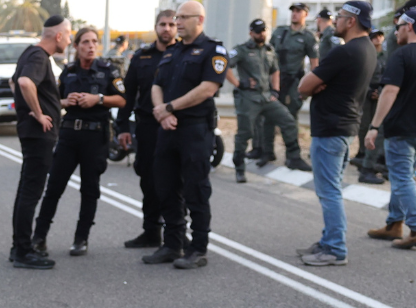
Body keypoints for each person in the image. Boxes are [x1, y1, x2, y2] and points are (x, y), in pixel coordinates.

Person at [143, 1, 227, 271]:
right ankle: (172, 244)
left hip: (195, 130)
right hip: (168, 128)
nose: (177, 22)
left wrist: (171, 107)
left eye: (183, 17)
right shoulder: (172, 51)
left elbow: (208, 88)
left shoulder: (214, 50)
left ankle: (198, 248)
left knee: (196, 189)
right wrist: (162, 113)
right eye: (176, 17)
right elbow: (157, 84)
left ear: (199, 19)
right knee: (165, 187)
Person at [31, 26, 124, 258]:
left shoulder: (108, 70)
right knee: (54, 187)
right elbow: (54, 100)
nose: (91, 46)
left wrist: (98, 99)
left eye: (94, 42)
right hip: (70, 135)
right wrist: (65, 101)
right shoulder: (69, 71)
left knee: (89, 189)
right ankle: (39, 237)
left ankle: (81, 239)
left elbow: (123, 100)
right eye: (85, 42)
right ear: (77, 46)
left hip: (95, 136)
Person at [297, 1, 377, 266]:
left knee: (329, 191)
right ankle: (328, 240)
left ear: (351, 21)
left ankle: (334, 248)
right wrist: (320, 83)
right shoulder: (367, 49)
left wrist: (317, 83)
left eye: (340, 17)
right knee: (332, 189)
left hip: (331, 128)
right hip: (345, 126)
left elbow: (304, 86)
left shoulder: (345, 52)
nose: (336, 22)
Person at [9, 15, 73, 270]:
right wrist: (37, 113)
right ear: (58, 36)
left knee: (26, 190)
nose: (70, 40)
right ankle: (24, 251)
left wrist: (53, 104)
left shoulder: (29, 53)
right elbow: (24, 82)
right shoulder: (38, 56)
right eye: (68, 35)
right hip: (38, 134)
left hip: (32, 132)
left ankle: (19, 246)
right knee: (31, 192)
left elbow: (14, 81)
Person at [116, 11, 177, 250]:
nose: (167, 29)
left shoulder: (182, 55)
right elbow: (128, 94)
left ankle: (177, 232)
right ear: (156, 27)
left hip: (174, 126)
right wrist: (122, 127)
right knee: (148, 179)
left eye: (172, 24)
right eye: (163, 24)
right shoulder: (141, 57)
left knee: (175, 180)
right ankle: (151, 231)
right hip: (147, 127)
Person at [227, 18, 311, 184]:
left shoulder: (269, 50)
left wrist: (275, 90)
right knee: (245, 133)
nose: (262, 34)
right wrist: (238, 83)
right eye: (258, 31)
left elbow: (275, 71)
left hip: (266, 97)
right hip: (248, 98)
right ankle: (239, 167)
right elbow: (223, 65)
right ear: (251, 33)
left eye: (264, 30)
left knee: (288, 121)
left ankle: (293, 157)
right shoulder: (241, 50)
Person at [364, 8, 416, 249]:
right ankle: (394, 224)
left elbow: (389, 91)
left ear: (408, 27)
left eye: (398, 27)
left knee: (400, 178)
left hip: (401, 128)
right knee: (405, 175)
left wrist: (374, 125)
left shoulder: (401, 54)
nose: (396, 31)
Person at [266, 3, 318, 165]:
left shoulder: (308, 37)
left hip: (293, 83)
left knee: (290, 119)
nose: (294, 14)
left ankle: (293, 156)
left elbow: (315, 65)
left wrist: (310, 87)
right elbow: (267, 55)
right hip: (275, 81)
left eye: (298, 11)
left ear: (305, 15)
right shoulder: (280, 32)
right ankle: (266, 152)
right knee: (268, 116)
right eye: (293, 11)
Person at [355, 29, 388, 184]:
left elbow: (389, 76)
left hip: (381, 93)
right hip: (366, 94)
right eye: (374, 37)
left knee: (378, 128)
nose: (378, 39)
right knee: (365, 126)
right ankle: (363, 154)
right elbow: (361, 75)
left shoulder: (386, 56)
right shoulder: (366, 53)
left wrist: (380, 93)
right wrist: (369, 92)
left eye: (380, 36)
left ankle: (374, 159)